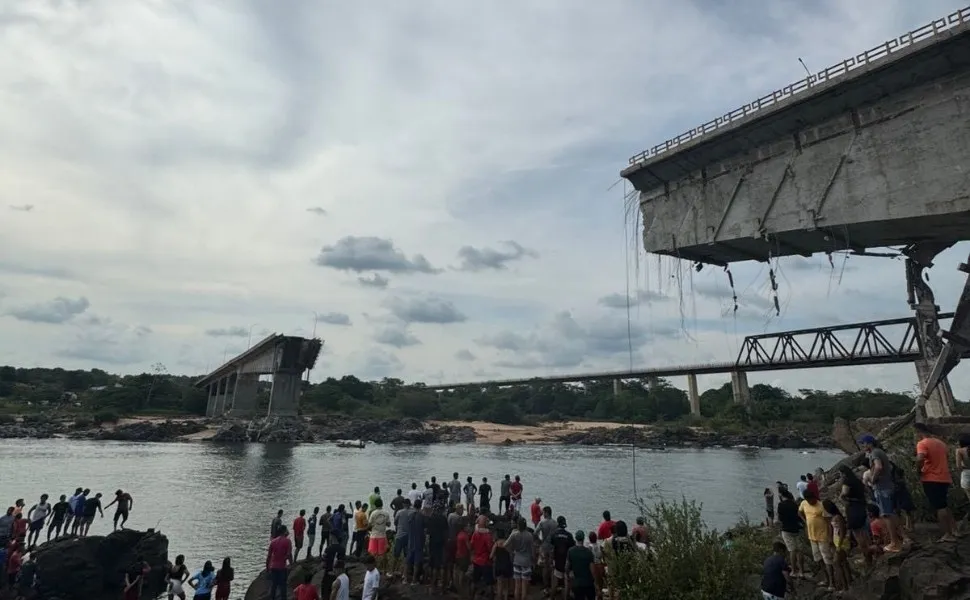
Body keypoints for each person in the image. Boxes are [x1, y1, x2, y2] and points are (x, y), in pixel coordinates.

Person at [915, 422, 958, 542]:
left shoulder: (922, 443)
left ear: (919, 432)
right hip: (944, 477)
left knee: (939, 507)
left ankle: (947, 534)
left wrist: (918, 470)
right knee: (944, 505)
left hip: (931, 478)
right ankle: (955, 530)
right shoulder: (940, 443)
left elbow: (920, 458)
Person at [860, 434, 903, 552]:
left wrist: (873, 479)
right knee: (892, 514)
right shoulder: (879, 452)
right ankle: (902, 538)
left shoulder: (875, 453)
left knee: (886, 515)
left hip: (882, 488)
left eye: (863, 444)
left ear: (869, 444)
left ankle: (895, 543)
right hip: (888, 486)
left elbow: (878, 467)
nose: (862, 446)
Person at [798, 490, 834, 592]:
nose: (810, 502)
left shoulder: (821, 505)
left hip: (823, 537)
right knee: (818, 559)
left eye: (811, 499)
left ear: (814, 497)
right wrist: (805, 521)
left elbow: (828, 522)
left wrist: (830, 537)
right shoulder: (804, 503)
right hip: (812, 537)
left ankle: (832, 582)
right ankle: (826, 579)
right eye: (808, 500)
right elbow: (799, 512)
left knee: (827, 559)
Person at [837, 465, 873, 566]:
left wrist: (843, 499)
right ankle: (871, 553)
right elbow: (867, 491)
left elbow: (844, 493)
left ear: (843, 474)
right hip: (862, 506)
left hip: (853, 509)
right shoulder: (857, 480)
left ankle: (866, 557)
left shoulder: (847, 482)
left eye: (840, 474)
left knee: (858, 534)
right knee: (865, 532)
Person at [775, 490, 805, 579]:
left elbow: (779, 518)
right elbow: (799, 516)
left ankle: (794, 571)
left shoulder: (780, 505)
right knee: (800, 550)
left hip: (786, 530)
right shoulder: (794, 504)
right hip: (796, 529)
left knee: (792, 550)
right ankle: (802, 571)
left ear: (782, 495)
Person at [824, 500, 850, 591]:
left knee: (836, 563)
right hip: (837, 542)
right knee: (844, 562)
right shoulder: (833, 517)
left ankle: (845, 586)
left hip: (842, 543)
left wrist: (839, 545)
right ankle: (849, 581)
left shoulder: (838, 517)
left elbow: (842, 531)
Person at [506, 518, 534, 600]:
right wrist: (533, 560)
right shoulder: (529, 535)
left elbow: (505, 545)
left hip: (516, 560)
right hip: (526, 562)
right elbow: (532, 551)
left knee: (517, 586)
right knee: (524, 587)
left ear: (518, 525)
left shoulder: (514, 534)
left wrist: (511, 551)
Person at [550, 516, 575, 600]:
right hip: (567, 563)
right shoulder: (569, 535)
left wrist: (552, 561)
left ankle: (552, 597)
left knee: (555, 582)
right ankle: (566, 598)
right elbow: (572, 549)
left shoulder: (554, 534)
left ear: (558, 524)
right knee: (567, 582)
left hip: (558, 562)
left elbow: (552, 549)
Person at [470, 515, 494, 600]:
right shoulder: (487, 535)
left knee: (474, 581)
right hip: (486, 561)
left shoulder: (475, 533)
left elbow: (471, 545)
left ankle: (471, 597)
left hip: (476, 561)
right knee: (489, 583)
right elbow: (490, 548)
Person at [266, 525, 293, 600]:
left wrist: (267, 568)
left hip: (273, 566)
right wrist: (291, 564)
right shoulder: (288, 541)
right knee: (283, 586)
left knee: (273, 586)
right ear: (284, 531)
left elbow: (269, 556)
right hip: (282, 567)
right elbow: (289, 555)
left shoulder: (273, 541)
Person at [567, 530, 595, 600]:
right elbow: (592, 570)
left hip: (577, 583)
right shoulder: (588, 552)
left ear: (575, 538)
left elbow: (567, 567)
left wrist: (569, 579)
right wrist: (596, 583)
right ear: (583, 538)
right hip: (588, 583)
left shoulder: (571, 551)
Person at [427, 505, 449, 592]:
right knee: (441, 565)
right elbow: (446, 532)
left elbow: (428, 533)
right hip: (441, 544)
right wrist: (446, 543)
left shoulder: (431, 518)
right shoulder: (443, 519)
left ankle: (433, 584)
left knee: (432, 565)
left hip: (432, 544)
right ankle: (441, 586)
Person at [406, 500, 427, 585]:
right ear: (420, 506)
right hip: (419, 541)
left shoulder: (410, 515)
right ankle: (414, 580)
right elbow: (425, 528)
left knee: (408, 560)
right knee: (416, 562)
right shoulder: (421, 516)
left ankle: (405, 579)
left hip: (411, 540)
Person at [536, 506, 556, 591]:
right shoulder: (555, 523)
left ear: (547, 513)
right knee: (551, 566)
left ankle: (545, 585)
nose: (542, 514)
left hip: (544, 547)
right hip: (552, 547)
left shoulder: (542, 522)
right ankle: (553, 585)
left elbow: (535, 532)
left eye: (543, 512)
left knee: (544, 567)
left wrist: (540, 541)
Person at [392, 499, 414, 577]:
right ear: (409, 504)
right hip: (408, 536)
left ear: (404, 504)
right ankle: (404, 574)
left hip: (400, 536)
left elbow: (395, 522)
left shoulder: (399, 512)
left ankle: (393, 572)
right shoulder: (412, 512)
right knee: (406, 556)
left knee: (396, 555)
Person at [368, 498, 391, 568]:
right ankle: (382, 569)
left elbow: (369, 524)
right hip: (382, 536)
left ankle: (373, 567)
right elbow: (389, 524)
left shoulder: (373, 513)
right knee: (382, 554)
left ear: (375, 505)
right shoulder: (386, 513)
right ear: (382, 504)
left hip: (373, 535)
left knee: (373, 554)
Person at [491, 530, 513, 600]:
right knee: (506, 586)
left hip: (498, 566)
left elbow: (491, 556)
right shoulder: (507, 543)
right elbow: (511, 554)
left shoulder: (496, 544)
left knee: (499, 585)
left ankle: (499, 598)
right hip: (507, 566)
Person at [587, 532, 605, 600]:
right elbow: (603, 555)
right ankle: (600, 596)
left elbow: (588, 558)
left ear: (589, 539)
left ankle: (597, 595)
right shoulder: (600, 545)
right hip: (600, 565)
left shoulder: (589, 547)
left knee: (595, 583)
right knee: (600, 583)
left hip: (593, 565)